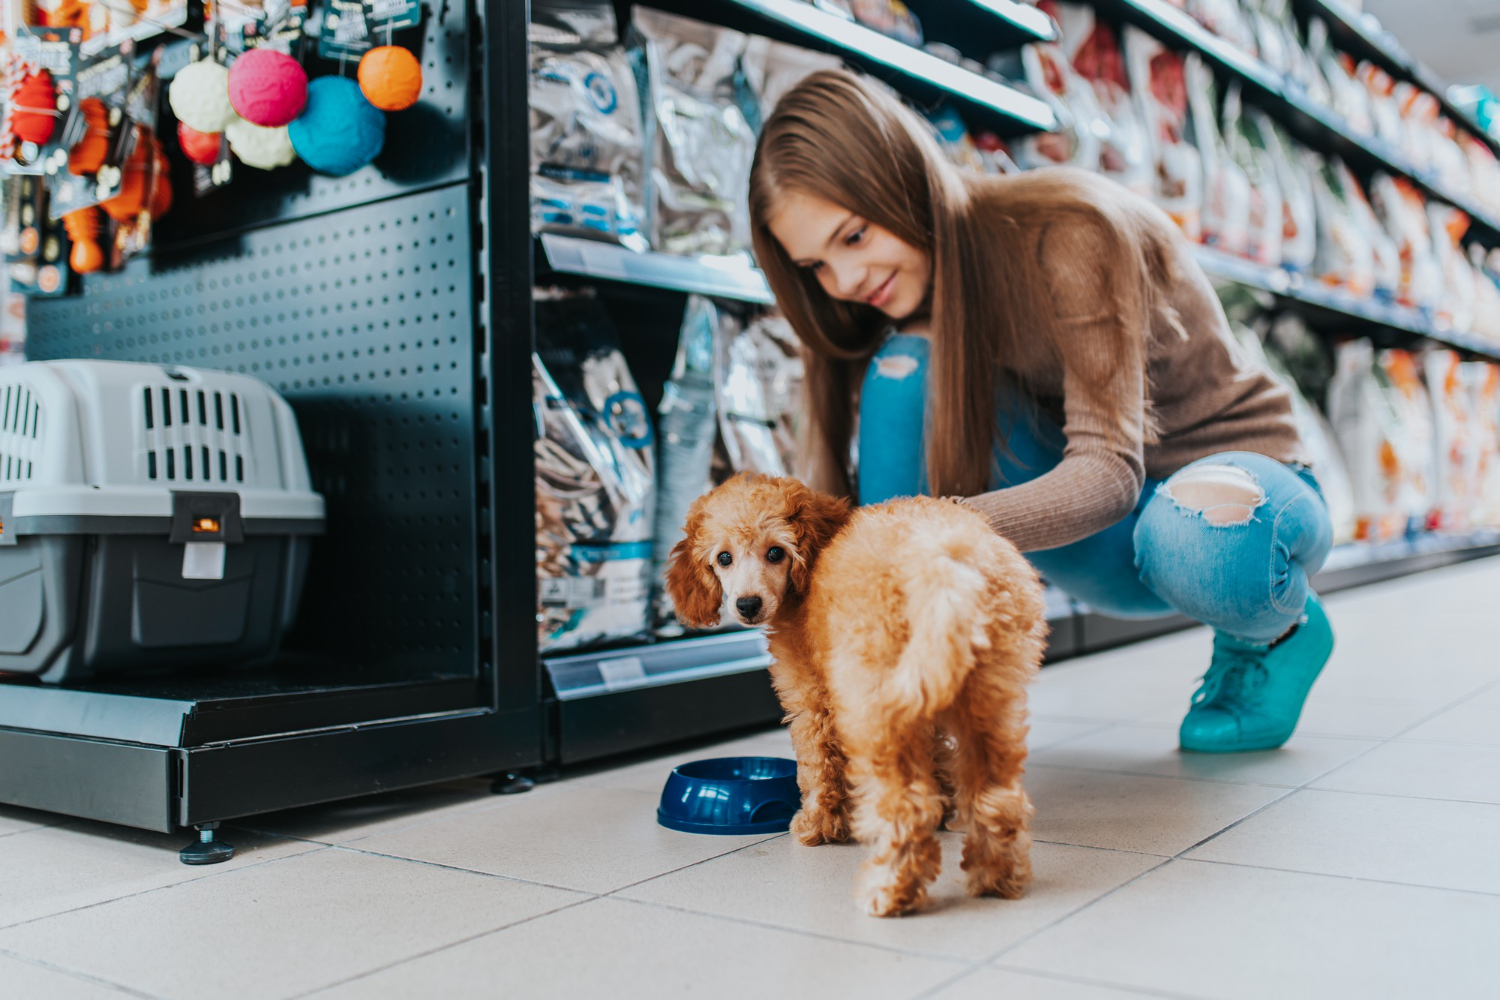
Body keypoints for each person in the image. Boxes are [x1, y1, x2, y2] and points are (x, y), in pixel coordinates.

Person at [747, 69, 1333, 753]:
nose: (844, 282)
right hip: (1110, 544)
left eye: (853, 238)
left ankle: (1277, 632)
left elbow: (1110, 473)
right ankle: (895, 693)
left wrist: (925, 531)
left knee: (1190, 529)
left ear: (906, 183)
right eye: (815, 266)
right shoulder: (908, 305)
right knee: (902, 371)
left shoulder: (1069, 231)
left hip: (1234, 504)